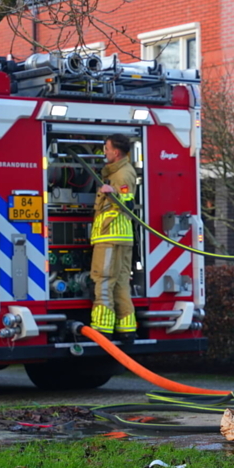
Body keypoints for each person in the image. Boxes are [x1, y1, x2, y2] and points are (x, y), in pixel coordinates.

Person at [90, 133, 138, 343]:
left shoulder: (122, 175)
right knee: (119, 283)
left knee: (103, 280)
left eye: (107, 149)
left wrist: (113, 193)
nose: (104, 152)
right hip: (119, 237)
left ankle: (101, 328)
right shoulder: (118, 171)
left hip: (111, 236)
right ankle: (126, 329)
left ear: (116, 152)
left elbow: (127, 203)